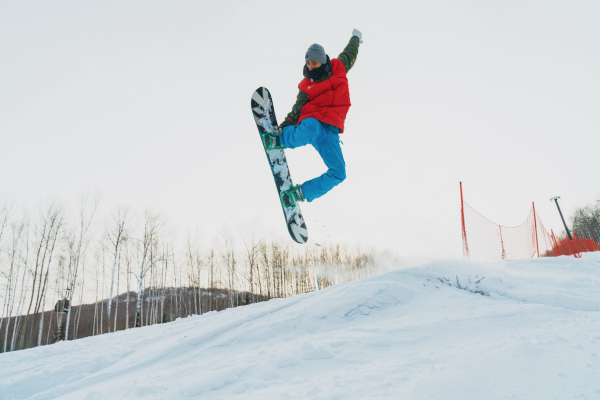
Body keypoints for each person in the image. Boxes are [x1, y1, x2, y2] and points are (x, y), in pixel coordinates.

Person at [263, 29, 363, 207]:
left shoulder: (338, 68)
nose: (310, 67)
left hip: (330, 132)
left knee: (339, 172)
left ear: (323, 62)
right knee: (312, 127)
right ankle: (281, 139)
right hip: (312, 122)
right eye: (308, 63)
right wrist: (282, 128)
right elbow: (297, 110)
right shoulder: (306, 86)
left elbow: (350, 52)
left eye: (314, 63)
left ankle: (300, 193)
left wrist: (356, 37)